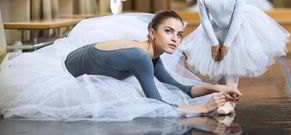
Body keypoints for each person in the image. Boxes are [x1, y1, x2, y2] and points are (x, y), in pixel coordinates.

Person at [0, 10, 241, 121]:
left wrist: (216, 88)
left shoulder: (152, 54)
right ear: (151, 32)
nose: (175, 39)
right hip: (64, 72)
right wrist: (203, 109)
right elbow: (157, 105)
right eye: (168, 31)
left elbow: (180, 88)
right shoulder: (140, 57)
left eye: (179, 34)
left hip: (81, 57)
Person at [179, 0, 290, 115]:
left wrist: (228, 44)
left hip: (238, 31)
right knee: (217, 67)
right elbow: (205, 21)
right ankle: (220, 96)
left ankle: (230, 101)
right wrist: (214, 43)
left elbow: (237, 21)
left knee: (232, 67)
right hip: (214, 32)